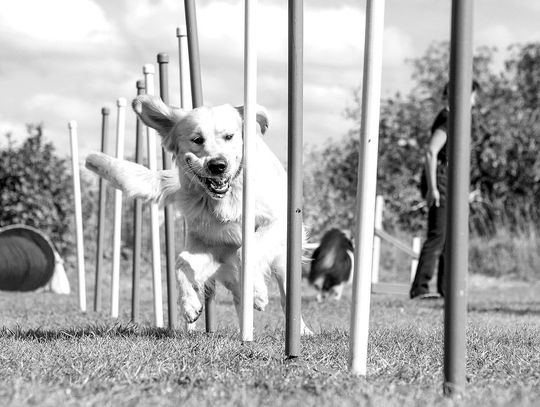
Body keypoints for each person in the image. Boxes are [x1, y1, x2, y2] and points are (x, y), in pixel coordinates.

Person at [409, 80, 480, 300]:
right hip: (440, 180)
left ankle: (445, 289)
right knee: (438, 235)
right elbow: (431, 151)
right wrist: (432, 188)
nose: (474, 102)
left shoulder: (457, 118)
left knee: (451, 237)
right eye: (473, 96)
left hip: (450, 180)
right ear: (462, 95)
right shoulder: (448, 117)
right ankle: (420, 289)